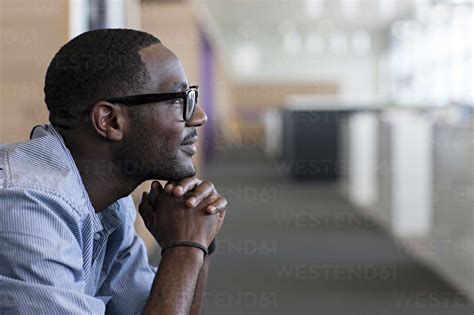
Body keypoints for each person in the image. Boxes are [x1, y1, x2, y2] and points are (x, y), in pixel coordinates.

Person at [0, 28, 227, 314]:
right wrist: (186, 246)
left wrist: (197, 240)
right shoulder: (26, 205)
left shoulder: (111, 204)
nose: (199, 117)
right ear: (109, 121)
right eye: (178, 100)